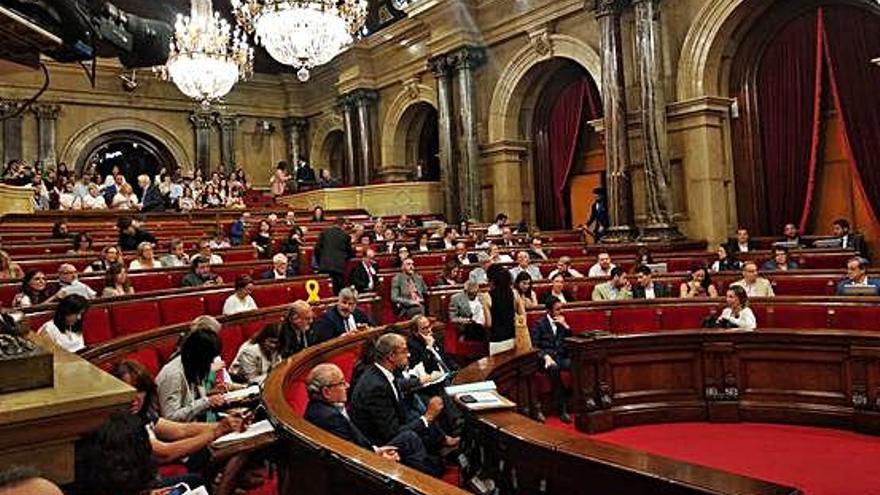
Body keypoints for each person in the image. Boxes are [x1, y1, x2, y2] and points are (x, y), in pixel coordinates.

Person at [110, 360, 242, 491]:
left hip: (149, 474)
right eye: (129, 392)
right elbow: (164, 454)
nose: (135, 399)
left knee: (224, 447)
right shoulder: (118, 423)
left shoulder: (143, 414)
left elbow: (181, 429)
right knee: (196, 481)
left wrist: (224, 425)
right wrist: (216, 432)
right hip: (139, 486)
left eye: (140, 390)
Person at [305, 363, 438, 475]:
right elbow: (348, 456)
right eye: (341, 383)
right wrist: (379, 457)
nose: (347, 386)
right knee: (410, 439)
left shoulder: (320, 409)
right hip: (362, 469)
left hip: (367, 451)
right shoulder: (329, 418)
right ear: (326, 392)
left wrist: (376, 450)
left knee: (409, 438)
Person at [349, 333, 447, 464]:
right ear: (391, 356)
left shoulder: (381, 371)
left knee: (416, 406)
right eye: (405, 351)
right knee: (415, 426)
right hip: (379, 445)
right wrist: (428, 417)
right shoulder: (376, 388)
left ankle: (442, 447)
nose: (409, 355)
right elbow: (392, 433)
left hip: (390, 427)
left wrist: (419, 382)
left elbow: (398, 384)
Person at [156, 328, 227, 422]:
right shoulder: (173, 375)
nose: (211, 362)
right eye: (209, 358)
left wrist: (211, 394)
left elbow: (190, 400)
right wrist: (206, 402)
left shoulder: (192, 365)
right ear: (199, 355)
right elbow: (170, 417)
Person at [530, 297, 572, 422]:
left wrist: (565, 326)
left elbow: (570, 340)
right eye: (557, 309)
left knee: (576, 364)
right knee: (554, 368)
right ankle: (562, 408)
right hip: (546, 359)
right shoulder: (539, 324)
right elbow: (534, 346)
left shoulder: (561, 322)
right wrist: (545, 356)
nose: (560, 312)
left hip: (560, 357)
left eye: (561, 309)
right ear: (549, 310)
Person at [315, 216, 354, 295]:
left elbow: (317, 250)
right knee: (337, 293)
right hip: (338, 269)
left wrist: (320, 262)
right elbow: (349, 253)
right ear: (343, 225)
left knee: (325, 292)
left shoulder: (324, 233)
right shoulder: (346, 236)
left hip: (324, 267)